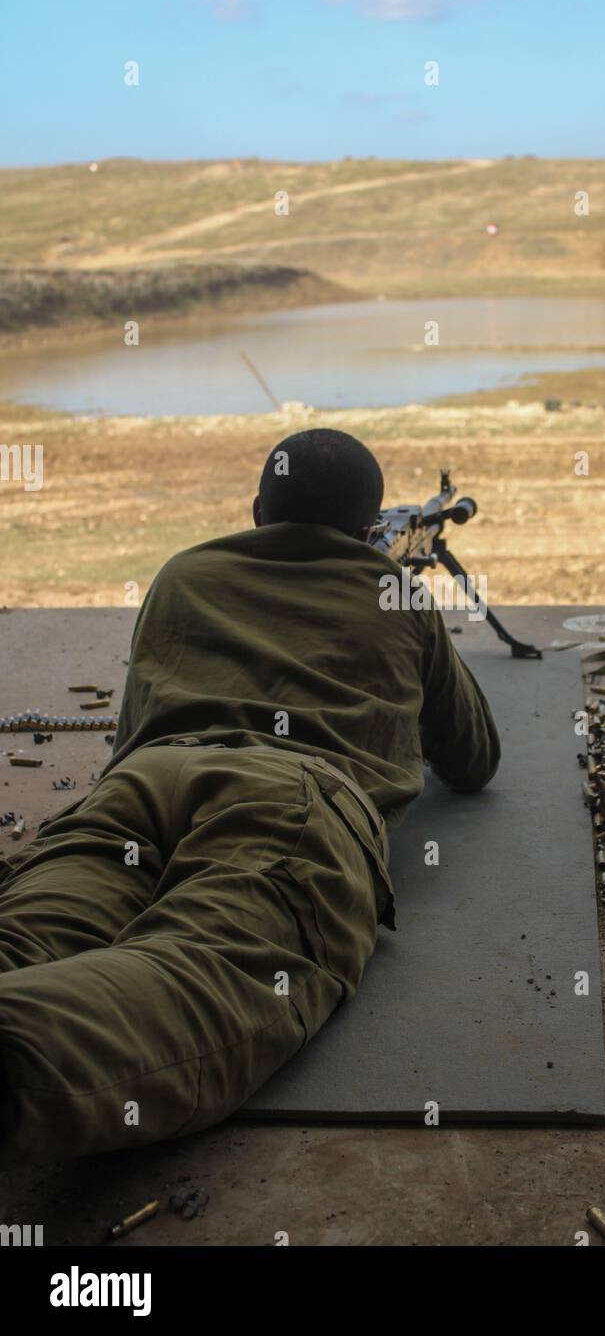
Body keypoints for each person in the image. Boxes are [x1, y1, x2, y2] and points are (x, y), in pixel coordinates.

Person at [0, 428, 499, 1163]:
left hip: (138, 790)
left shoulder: (183, 573)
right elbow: (474, 757)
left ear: (257, 511)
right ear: (367, 531)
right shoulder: (395, 591)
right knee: (198, 970)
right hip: (289, 802)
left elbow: (132, 734)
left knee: (24, 934)